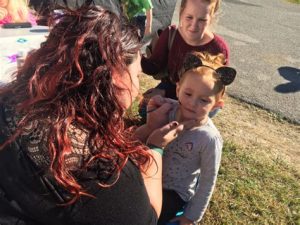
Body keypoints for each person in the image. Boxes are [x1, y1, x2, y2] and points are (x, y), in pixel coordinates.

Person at [0, 5, 189, 225]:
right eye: (137, 75)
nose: (137, 87)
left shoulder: (13, 103)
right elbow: (147, 216)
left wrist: (143, 131)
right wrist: (155, 147)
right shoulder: (99, 175)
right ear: (117, 77)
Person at [158, 51, 236, 225]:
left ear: (217, 105)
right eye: (188, 94)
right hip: (151, 176)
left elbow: (208, 180)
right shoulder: (167, 110)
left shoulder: (209, 138)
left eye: (204, 100)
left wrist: (191, 217)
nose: (193, 103)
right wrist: (153, 104)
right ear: (178, 89)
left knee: (153, 215)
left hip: (175, 192)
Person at [141, 0, 229, 103]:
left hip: (201, 98)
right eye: (189, 17)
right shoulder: (171, 35)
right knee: (145, 108)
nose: (194, 25)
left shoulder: (218, 49)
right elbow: (153, 67)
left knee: (185, 116)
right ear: (181, 13)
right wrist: (133, 56)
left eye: (202, 20)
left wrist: (165, 93)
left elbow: (216, 90)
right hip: (172, 87)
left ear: (211, 18)